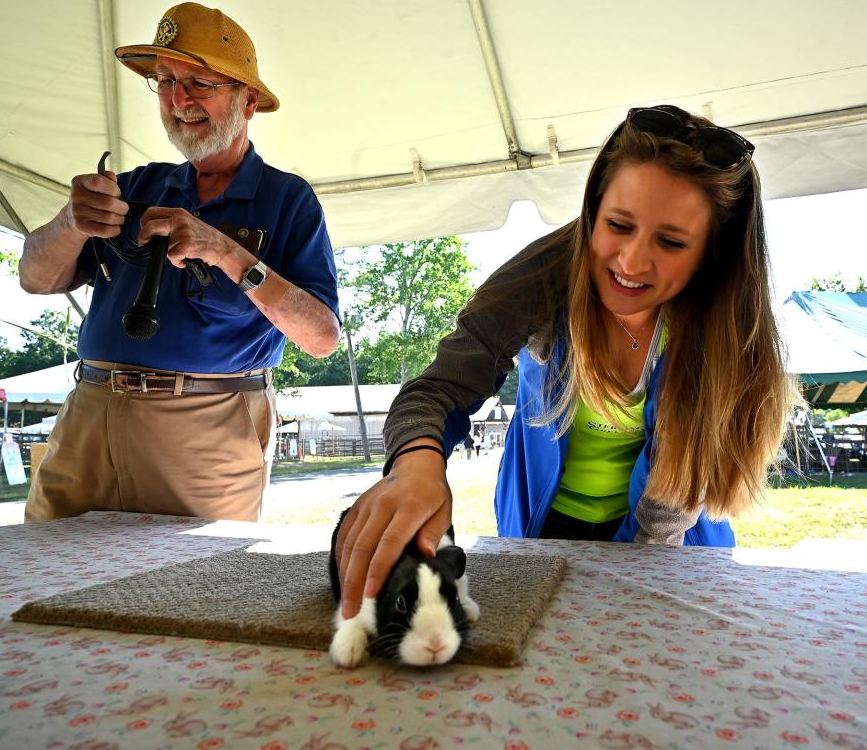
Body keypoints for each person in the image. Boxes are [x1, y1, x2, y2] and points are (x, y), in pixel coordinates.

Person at [335, 105, 795, 618]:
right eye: (618, 224)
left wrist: (639, 576)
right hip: (542, 522)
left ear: (713, 253)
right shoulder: (544, 275)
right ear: (593, 208)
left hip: (673, 536)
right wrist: (416, 467)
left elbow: (667, 511)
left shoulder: (723, 325)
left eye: (670, 242)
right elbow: (440, 387)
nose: (631, 262)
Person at [19, 2, 340, 523]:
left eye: (201, 83)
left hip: (208, 427)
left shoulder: (287, 200)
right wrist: (69, 222)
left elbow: (322, 337)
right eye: (165, 81)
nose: (178, 99)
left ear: (249, 99)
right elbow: (35, 279)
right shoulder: (136, 186)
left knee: (191, 592)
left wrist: (225, 252)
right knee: (41, 582)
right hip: (89, 413)